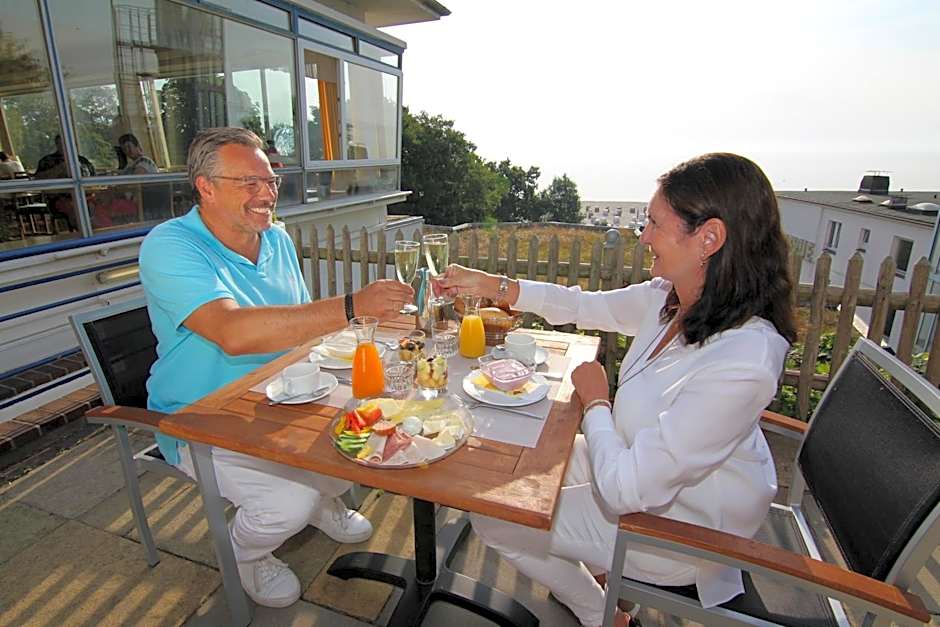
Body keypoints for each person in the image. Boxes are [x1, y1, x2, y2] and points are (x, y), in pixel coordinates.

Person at [435, 153, 796, 627]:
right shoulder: (672, 301)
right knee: (522, 457)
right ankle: (599, 584)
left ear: (708, 237)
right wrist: (492, 284)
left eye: (654, 224)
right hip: (639, 465)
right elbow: (581, 305)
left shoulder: (744, 359)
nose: (643, 235)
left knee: (494, 516)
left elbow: (627, 489)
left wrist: (596, 403)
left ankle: (601, 617)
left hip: (682, 531)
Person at [139, 127, 414, 609]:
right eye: (249, 182)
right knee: (287, 503)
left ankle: (322, 500)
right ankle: (248, 554)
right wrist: (352, 305)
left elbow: (302, 324)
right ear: (205, 186)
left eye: (270, 181)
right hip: (202, 415)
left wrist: (364, 339)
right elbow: (232, 332)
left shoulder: (276, 238)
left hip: (285, 394)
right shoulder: (170, 246)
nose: (266, 194)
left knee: (369, 435)